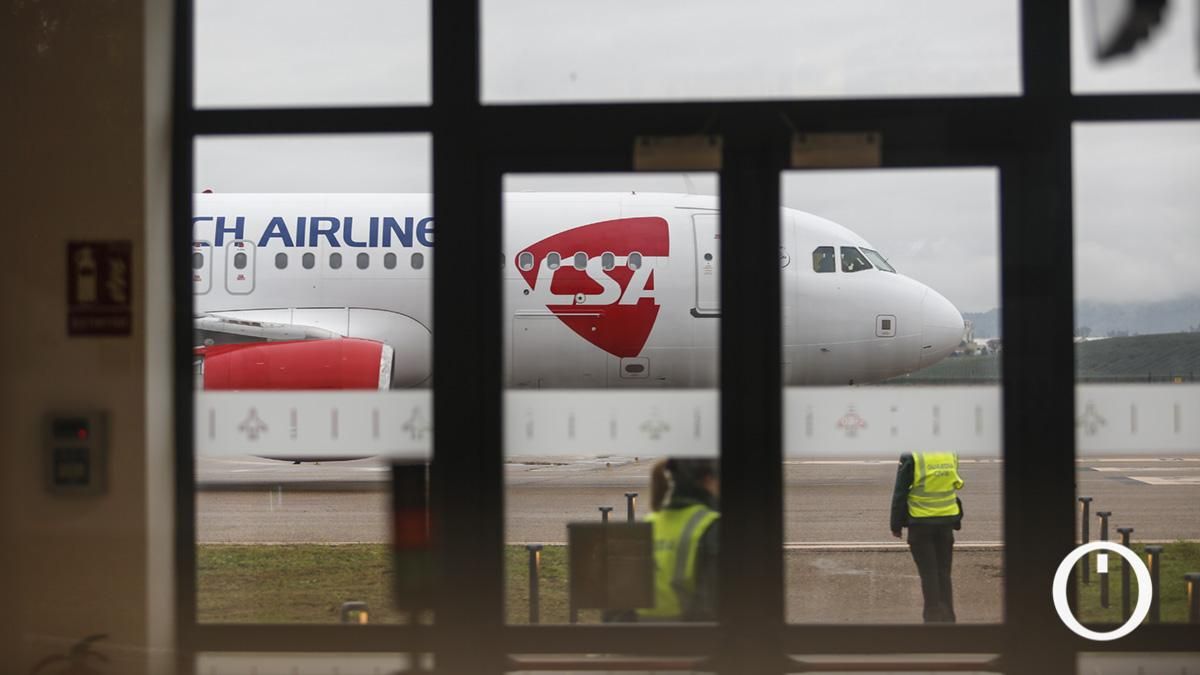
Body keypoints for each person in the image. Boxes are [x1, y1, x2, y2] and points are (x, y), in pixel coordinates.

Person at [636, 457, 720, 622]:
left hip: (642, 633)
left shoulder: (647, 524)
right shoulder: (710, 525)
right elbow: (712, 602)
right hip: (687, 631)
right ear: (708, 481)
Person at [890, 451, 964, 623]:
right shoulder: (951, 452)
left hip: (920, 523)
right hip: (946, 522)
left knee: (929, 574)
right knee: (944, 573)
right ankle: (948, 619)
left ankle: (933, 620)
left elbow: (900, 492)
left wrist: (896, 525)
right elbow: (953, 483)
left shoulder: (912, 455)